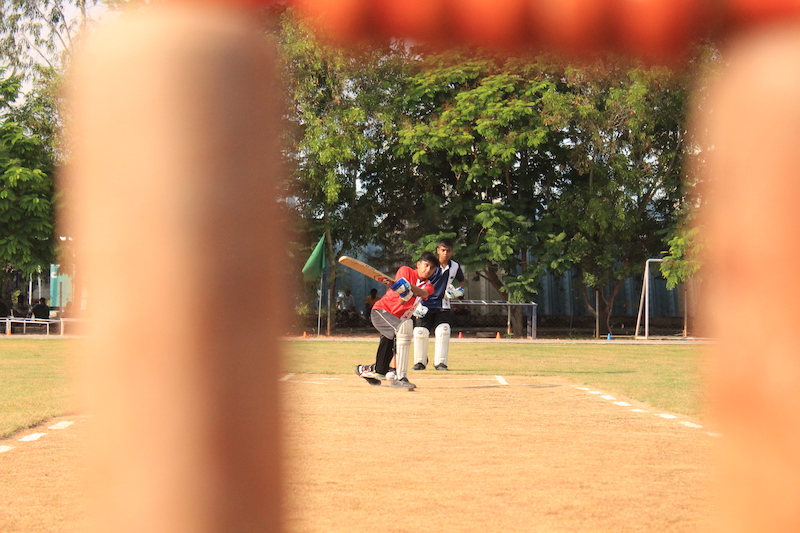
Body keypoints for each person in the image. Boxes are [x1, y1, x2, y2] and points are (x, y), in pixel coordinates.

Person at [355, 252, 437, 390]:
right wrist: (405, 292)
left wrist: (409, 287)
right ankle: (400, 378)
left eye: (432, 268)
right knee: (401, 332)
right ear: (418, 264)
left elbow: (424, 293)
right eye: (426, 265)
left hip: (396, 320)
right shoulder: (405, 271)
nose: (428, 270)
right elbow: (401, 301)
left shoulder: (429, 285)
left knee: (382, 368)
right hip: (382, 311)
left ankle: (366, 370)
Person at [412, 238, 465, 371]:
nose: (445, 253)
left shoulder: (455, 266)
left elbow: (461, 281)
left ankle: (441, 363)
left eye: (448, 251)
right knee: (420, 332)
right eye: (443, 250)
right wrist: (415, 301)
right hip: (424, 304)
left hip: (443, 305)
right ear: (438, 251)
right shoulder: (430, 265)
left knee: (443, 331)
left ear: (452, 252)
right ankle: (420, 362)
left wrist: (458, 292)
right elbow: (417, 280)